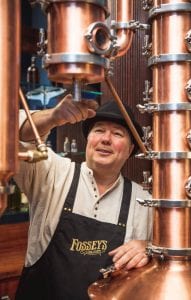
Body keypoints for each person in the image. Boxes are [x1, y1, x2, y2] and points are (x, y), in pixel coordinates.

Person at [14, 94, 152, 300]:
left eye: (117, 134)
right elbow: (10, 133)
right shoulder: (52, 173)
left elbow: (170, 257)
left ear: (130, 149)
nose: (106, 139)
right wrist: (53, 116)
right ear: (87, 139)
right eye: (98, 130)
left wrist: (149, 248)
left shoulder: (144, 201)